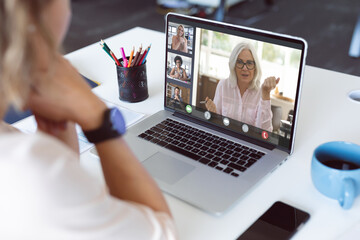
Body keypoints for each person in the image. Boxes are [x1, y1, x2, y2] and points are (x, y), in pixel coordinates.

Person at [0, 0, 176, 239]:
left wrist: (58, 134)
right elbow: (163, 233)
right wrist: (99, 119)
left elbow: (63, 194)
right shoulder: (30, 171)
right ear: (32, 19)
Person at [205, 42, 279, 132]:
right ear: (233, 65)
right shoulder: (223, 86)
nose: (245, 68)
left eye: (249, 63)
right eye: (239, 62)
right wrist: (213, 115)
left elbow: (265, 133)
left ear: (255, 67)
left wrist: (266, 95)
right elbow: (216, 126)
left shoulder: (261, 93)